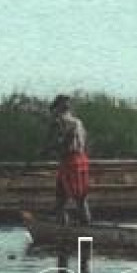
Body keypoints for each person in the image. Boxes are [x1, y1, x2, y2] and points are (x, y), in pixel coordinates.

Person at [49, 94, 91, 225]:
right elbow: (85, 141)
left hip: (70, 161)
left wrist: (47, 149)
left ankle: (72, 228)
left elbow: (58, 142)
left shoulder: (59, 122)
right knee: (77, 197)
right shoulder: (78, 122)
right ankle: (82, 226)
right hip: (81, 160)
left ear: (58, 108)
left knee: (73, 199)